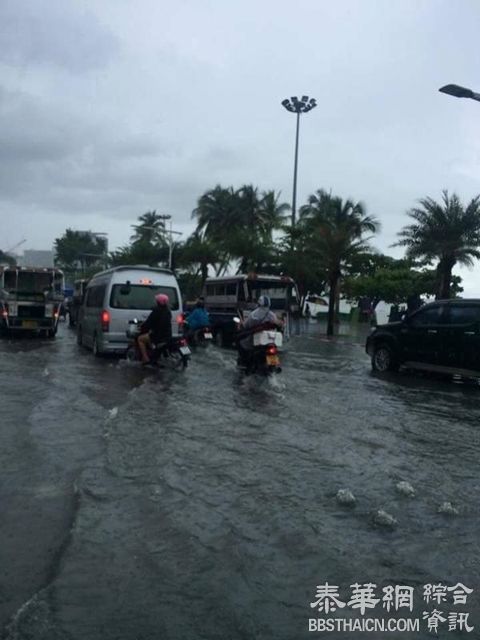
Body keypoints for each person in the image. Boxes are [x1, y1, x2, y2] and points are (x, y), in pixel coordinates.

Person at [138, 293, 172, 364]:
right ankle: (152, 351)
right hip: (167, 335)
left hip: (158, 335)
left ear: (158, 302)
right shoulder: (168, 311)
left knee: (140, 339)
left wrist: (142, 328)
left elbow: (149, 323)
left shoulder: (156, 311)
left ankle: (145, 358)